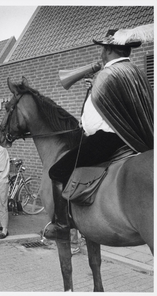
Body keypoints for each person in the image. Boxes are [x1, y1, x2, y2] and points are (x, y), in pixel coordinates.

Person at [44, 29, 154, 242]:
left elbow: (91, 124)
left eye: (104, 48)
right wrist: (94, 89)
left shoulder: (107, 74)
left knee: (57, 171)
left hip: (106, 140)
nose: (101, 53)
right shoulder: (136, 72)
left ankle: (62, 225)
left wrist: (93, 92)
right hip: (135, 140)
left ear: (111, 49)